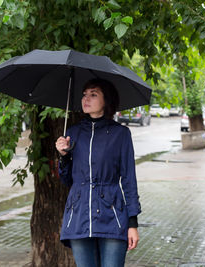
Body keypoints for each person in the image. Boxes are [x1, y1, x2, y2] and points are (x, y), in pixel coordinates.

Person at [55, 79, 141, 267]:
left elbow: (129, 180)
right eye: (84, 94)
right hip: (78, 214)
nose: (86, 99)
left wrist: (132, 222)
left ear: (106, 100)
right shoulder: (72, 133)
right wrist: (63, 156)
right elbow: (67, 179)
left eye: (93, 94)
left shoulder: (121, 134)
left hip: (112, 214)